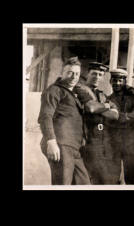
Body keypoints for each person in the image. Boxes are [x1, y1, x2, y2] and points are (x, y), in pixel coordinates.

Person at [38, 57, 91, 185]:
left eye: (77, 74)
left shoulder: (73, 93)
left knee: (84, 184)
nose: (74, 77)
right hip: (61, 144)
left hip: (74, 147)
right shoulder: (54, 90)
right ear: (61, 73)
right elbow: (45, 116)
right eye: (70, 73)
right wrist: (51, 141)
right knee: (62, 184)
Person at [74, 62, 121, 184]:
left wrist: (99, 108)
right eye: (94, 73)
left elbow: (115, 115)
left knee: (101, 176)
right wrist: (106, 106)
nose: (97, 77)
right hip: (87, 137)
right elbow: (91, 108)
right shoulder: (80, 88)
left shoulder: (101, 94)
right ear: (87, 74)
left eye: (100, 74)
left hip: (101, 139)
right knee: (88, 175)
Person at [107, 69, 134, 184]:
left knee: (132, 177)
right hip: (114, 142)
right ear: (110, 81)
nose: (117, 83)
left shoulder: (133, 97)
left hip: (130, 142)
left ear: (124, 82)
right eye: (114, 80)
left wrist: (123, 117)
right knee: (113, 176)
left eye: (120, 80)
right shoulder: (107, 99)